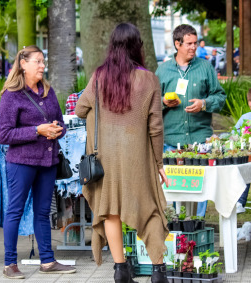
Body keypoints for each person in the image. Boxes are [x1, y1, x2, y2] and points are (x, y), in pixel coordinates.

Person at [75, 23, 170, 283]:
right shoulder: (150, 79)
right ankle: (159, 271)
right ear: (137, 46)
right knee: (150, 210)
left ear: (113, 46)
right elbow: (155, 127)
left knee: (110, 212)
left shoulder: (99, 76)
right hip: (138, 158)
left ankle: (120, 270)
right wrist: (159, 162)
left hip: (105, 160)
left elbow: (80, 110)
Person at [0, 45, 76, 279]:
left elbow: (60, 122)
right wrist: (37, 130)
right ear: (23, 64)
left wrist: (55, 130)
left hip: (47, 162)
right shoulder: (12, 94)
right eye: (38, 61)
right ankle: (9, 263)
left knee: (42, 213)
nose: (42, 66)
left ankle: (48, 262)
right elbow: (4, 135)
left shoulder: (47, 91)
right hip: (21, 163)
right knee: (15, 211)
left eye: (43, 62)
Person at [156, 24, 226, 217]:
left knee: (199, 190)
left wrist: (204, 103)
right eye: (189, 43)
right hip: (171, 142)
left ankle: (198, 224)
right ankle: (174, 231)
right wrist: (163, 102)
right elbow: (150, 102)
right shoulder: (163, 71)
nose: (193, 47)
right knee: (172, 191)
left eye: (195, 43)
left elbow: (220, 97)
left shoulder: (205, 67)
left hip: (199, 143)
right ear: (177, 44)